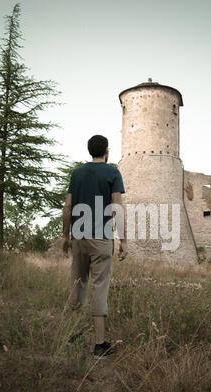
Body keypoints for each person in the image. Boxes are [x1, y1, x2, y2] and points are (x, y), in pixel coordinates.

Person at [61, 135, 127, 359]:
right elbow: (117, 208)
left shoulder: (77, 173)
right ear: (106, 151)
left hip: (78, 238)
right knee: (99, 287)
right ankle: (100, 345)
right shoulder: (112, 173)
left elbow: (68, 206)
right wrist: (123, 241)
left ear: (89, 151)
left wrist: (65, 236)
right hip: (101, 240)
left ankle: (72, 334)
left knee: (77, 284)